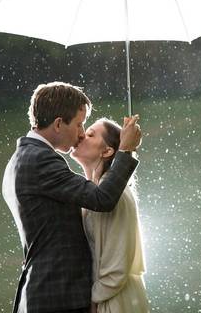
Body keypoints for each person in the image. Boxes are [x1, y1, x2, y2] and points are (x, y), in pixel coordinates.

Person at [3, 82, 142, 313]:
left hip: (50, 295)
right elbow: (103, 199)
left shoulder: (23, 157)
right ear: (58, 124)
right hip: (58, 298)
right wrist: (126, 150)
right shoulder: (41, 161)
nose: (80, 134)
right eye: (79, 125)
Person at [71, 118, 149, 313]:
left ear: (107, 151)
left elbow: (117, 264)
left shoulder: (118, 197)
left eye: (90, 134)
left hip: (115, 301)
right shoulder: (92, 193)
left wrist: (93, 300)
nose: (81, 135)